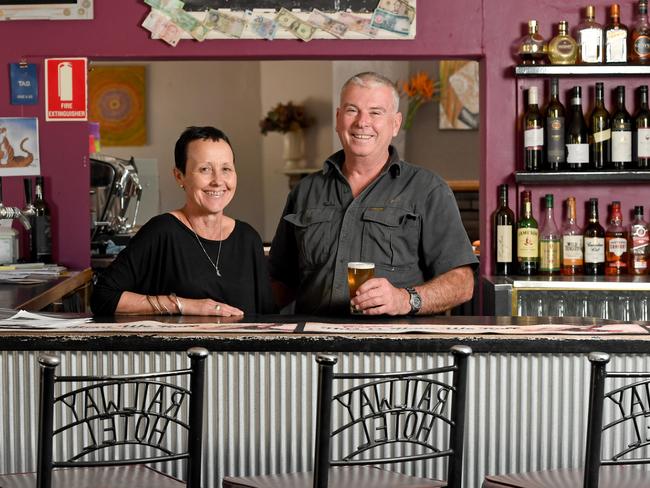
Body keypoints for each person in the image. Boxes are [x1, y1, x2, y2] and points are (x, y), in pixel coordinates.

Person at [270, 72, 478, 316]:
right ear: (338, 119)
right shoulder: (306, 191)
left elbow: (462, 282)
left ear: (396, 123)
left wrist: (405, 299)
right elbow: (280, 284)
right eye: (352, 110)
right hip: (313, 346)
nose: (362, 122)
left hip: (393, 349)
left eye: (376, 112)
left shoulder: (428, 190)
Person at [91, 126, 275, 317]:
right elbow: (103, 297)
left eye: (226, 169)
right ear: (179, 176)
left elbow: (267, 316)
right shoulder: (161, 231)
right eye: (205, 169)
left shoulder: (248, 238)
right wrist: (186, 305)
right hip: (182, 347)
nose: (218, 181)